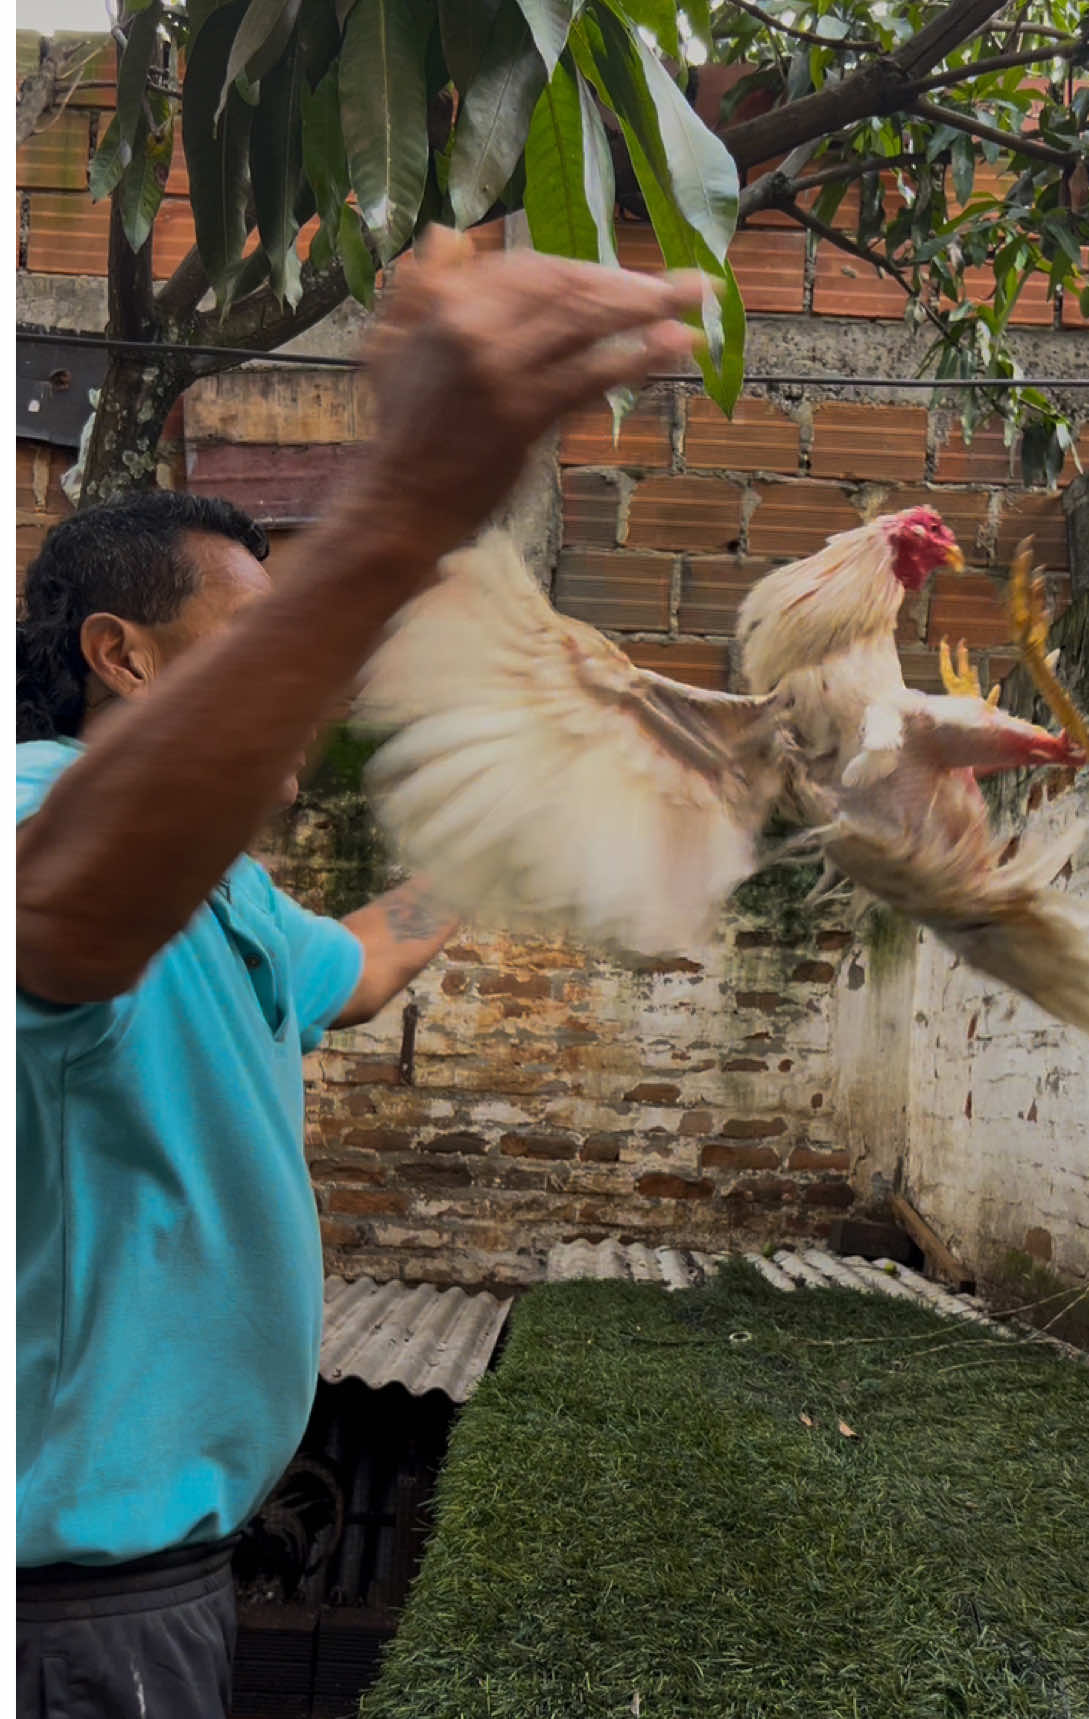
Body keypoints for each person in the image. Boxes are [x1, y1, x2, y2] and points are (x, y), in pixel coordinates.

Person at [15, 226, 706, 1718]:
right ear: (122, 655)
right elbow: (57, 921)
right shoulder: (33, 821)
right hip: (59, 1609)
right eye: (256, 636)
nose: (311, 681)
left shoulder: (229, 890)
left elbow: (366, 966)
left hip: (162, 1580)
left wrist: (541, 799)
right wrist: (400, 517)